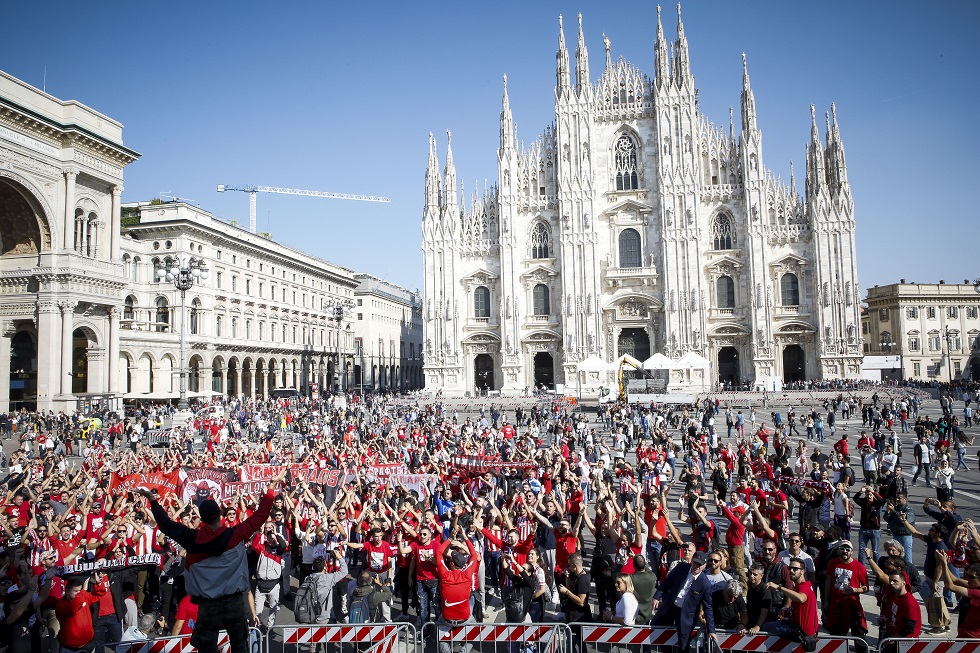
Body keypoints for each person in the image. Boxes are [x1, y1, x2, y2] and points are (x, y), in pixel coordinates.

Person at [140, 469, 286, 653]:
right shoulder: (236, 534)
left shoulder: (191, 538)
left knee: (206, 648)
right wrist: (271, 487)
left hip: (207, 605)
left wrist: (152, 500)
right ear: (220, 513)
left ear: (201, 517)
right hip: (233, 601)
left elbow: (166, 525)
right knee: (240, 646)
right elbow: (262, 514)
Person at [651, 552, 717, 652]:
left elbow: (708, 607)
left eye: (699, 565)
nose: (696, 567)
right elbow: (667, 582)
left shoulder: (705, 584)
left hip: (686, 615)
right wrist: (657, 596)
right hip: (671, 606)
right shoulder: (681, 567)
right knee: (655, 627)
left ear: (704, 566)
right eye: (695, 563)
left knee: (683, 645)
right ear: (691, 561)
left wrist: (711, 630)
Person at [823, 541, 869, 649]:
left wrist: (855, 590)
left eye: (847, 550)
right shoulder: (832, 563)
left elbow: (866, 587)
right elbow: (828, 582)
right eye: (842, 549)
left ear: (852, 552)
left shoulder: (859, 566)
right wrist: (826, 601)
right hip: (836, 603)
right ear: (838, 550)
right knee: (836, 632)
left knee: (858, 632)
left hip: (852, 604)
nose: (845, 552)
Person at [761, 560, 818, 645]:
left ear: (803, 571)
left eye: (795, 569)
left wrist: (778, 587)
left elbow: (801, 598)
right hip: (803, 629)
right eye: (790, 568)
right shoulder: (805, 586)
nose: (791, 571)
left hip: (800, 632)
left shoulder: (803, 587)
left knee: (764, 627)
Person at [56, 576, 108, 653]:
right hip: (70, 647)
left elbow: (99, 594)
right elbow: (73, 607)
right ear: (67, 591)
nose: (78, 593)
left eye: (79, 590)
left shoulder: (82, 596)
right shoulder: (61, 604)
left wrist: (99, 583)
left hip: (87, 644)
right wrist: (83, 591)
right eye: (75, 591)